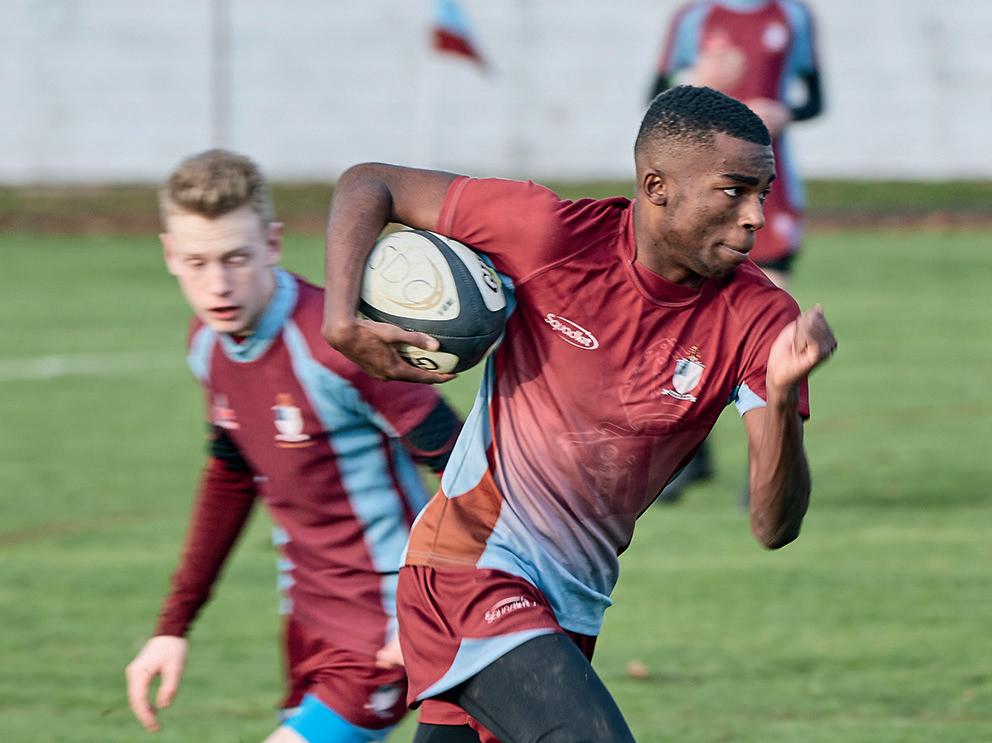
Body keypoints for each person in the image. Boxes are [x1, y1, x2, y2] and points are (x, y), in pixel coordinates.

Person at [321, 86, 837, 742]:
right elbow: (370, 183)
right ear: (656, 187)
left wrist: (783, 396)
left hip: (571, 606)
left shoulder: (760, 319)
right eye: (733, 191)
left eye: (763, 192)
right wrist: (341, 319)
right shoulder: (550, 235)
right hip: (469, 566)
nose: (756, 216)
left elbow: (773, 526)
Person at [123, 149, 462, 742]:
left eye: (236, 258)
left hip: (386, 621)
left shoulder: (336, 346)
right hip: (308, 622)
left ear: (272, 244)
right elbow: (231, 478)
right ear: (170, 255)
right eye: (197, 262)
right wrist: (172, 627)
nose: (218, 285)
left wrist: (436, 610)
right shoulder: (208, 344)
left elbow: (470, 472)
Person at [650, 0, 824, 503]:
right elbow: (655, 103)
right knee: (685, 320)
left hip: (770, 187)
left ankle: (768, 465)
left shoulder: (792, 15)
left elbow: (816, 100)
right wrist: (701, 81)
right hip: (700, 192)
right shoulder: (694, 18)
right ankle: (690, 455)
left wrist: (786, 112)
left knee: (773, 323)